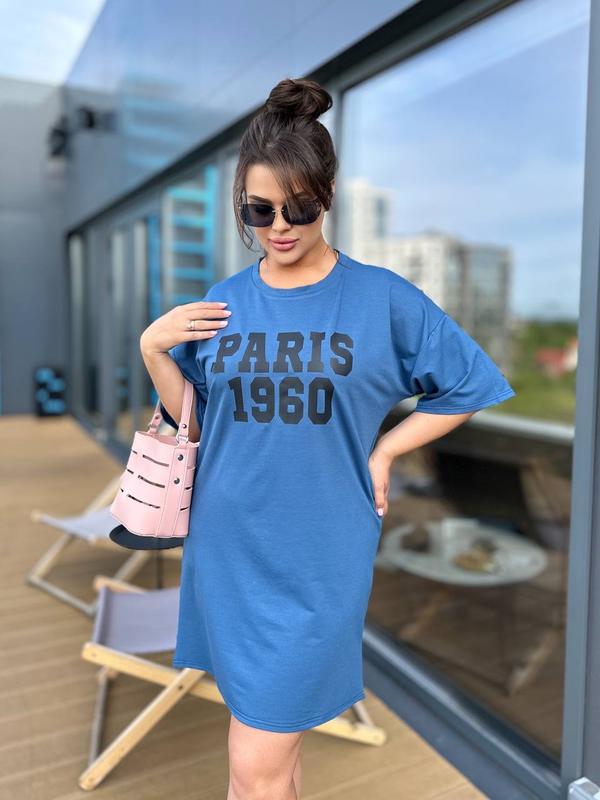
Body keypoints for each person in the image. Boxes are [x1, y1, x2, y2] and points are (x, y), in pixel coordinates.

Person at [140, 77, 516, 800]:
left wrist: (387, 449)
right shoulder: (223, 302)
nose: (279, 226)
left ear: (329, 195)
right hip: (228, 547)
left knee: (254, 765)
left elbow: (470, 386)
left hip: (321, 555)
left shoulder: (383, 299)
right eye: (259, 210)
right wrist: (155, 351)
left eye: (300, 207)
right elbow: (196, 421)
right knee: (272, 757)